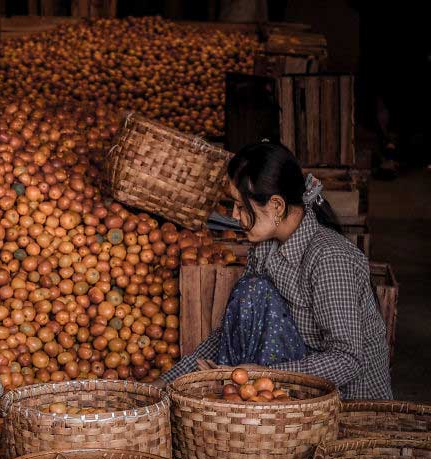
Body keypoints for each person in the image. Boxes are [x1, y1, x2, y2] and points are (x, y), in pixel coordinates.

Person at [160, 142, 392, 400]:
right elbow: (229, 330)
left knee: (254, 290)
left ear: (277, 206)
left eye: (240, 205)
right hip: (282, 381)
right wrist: (169, 382)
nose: (235, 215)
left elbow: (347, 360)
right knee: (251, 292)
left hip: (345, 399)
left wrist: (264, 375)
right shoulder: (265, 249)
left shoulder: (330, 259)